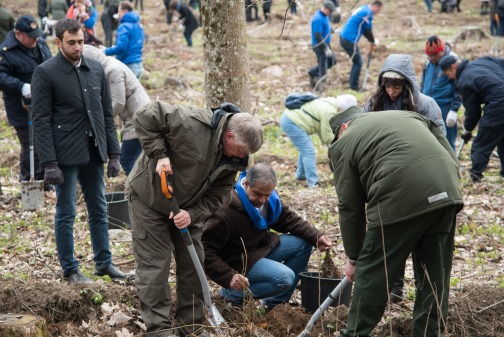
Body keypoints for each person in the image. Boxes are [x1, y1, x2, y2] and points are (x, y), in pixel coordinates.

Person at [127, 101, 263, 336]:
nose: (243, 156)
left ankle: (190, 326)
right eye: (242, 150)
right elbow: (145, 115)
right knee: (155, 265)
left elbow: (218, 197)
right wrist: (159, 155)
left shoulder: (235, 160)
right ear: (229, 136)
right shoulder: (191, 121)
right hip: (148, 199)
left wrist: (191, 214)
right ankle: (158, 329)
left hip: (187, 209)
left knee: (194, 263)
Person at [328, 107, 463, 337]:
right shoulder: (408, 115)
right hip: (447, 191)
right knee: (434, 274)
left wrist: (354, 257)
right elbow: (450, 154)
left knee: (373, 273)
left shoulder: (344, 142)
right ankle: (429, 333)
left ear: (342, 127)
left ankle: (354, 334)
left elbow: (350, 206)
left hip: (399, 197)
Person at [31, 18, 132, 284]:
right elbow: (40, 121)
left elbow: (105, 115)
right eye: (72, 43)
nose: (78, 48)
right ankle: (70, 269)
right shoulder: (46, 72)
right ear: (58, 42)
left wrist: (114, 153)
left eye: (81, 42)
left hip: (93, 150)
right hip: (63, 155)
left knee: (99, 207)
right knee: (66, 212)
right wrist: (49, 162)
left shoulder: (95, 69)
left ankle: (104, 262)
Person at [202, 163, 332, 309]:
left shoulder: (270, 200)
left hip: (262, 248)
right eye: (257, 194)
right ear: (246, 184)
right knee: (285, 277)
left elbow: (288, 219)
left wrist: (316, 236)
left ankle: (276, 304)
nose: (263, 200)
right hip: (240, 260)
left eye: (267, 195)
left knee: (304, 243)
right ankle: (230, 294)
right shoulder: (224, 212)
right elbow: (204, 250)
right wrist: (228, 276)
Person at [0, 15, 52, 190]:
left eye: (36, 35)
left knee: (46, 141)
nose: (35, 39)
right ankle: (29, 181)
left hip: (45, 104)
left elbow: (51, 64)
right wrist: (20, 86)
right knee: (31, 145)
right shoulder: (5, 52)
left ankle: (46, 179)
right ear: (18, 33)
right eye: (31, 36)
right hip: (21, 107)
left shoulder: (41, 44)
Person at [83, 45, 150, 175]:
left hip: (138, 119)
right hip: (136, 117)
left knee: (126, 159)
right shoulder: (109, 66)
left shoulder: (113, 70)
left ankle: (143, 191)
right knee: (138, 160)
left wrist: (99, 121)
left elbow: (118, 103)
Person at [440, 54, 504, 182]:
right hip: (498, 102)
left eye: (448, 74)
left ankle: (475, 177)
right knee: (502, 139)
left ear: (454, 67)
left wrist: (467, 131)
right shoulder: (483, 61)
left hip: (498, 105)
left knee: (481, 144)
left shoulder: (464, 81)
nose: (449, 77)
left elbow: (473, 112)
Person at [280, 94, 357, 188]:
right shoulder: (330, 111)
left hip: (289, 118)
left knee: (305, 149)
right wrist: (338, 144)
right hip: (292, 122)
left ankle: (301, 175)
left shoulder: (329, 102)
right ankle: (313, 183)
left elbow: (323, 130)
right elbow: (326, 136)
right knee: (308, 151)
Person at [365, 54, 446, 135]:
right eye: (387, 87)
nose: (391, 92)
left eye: (397, 88)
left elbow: (439, 135)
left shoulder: (426, 105)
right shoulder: (375, 103)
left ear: (407, 86)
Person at [421, 36, 462, 151]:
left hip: (444, 107)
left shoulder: (452, 62)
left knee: (447, 142)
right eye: (431, 55)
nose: (433, 58)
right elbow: (423, 84)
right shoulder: (428, 62)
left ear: (442, 50)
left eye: (436, 55)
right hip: (427, 107)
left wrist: (454, 110)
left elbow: (459, 88)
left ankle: (451, 167)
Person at [339, 0, 383, 91]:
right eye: (379, 9)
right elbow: (367, 30)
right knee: (358, 62)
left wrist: (371, 40)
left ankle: (353, 85)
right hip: (349, 39)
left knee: (357, 62)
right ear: (376, 6)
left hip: (345, 37)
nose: (379, 12)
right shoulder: (368, 13)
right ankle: (353, 87)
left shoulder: (364, 8)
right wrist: (373, 40)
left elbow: (363, 28)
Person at [104, 1, 144, 79]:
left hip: (128, 65)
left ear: (125, 11)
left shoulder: (124, 26)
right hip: (138, 64)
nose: (118, 14)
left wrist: (106, 51)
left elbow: (121, 47)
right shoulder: (138, 25)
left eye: (119, 11)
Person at [307, 1, 337, 89]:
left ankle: (313, 72)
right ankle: (321, 87)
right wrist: (325, 49)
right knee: (323, 67)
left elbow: (326, 25)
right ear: (325, 9)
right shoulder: (317, 19)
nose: (331, 13)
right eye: (330, 11)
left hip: (326, 43)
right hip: (319, 46)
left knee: (332, 61)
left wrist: (331, 30)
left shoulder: (325, 16)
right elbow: (317, 36)